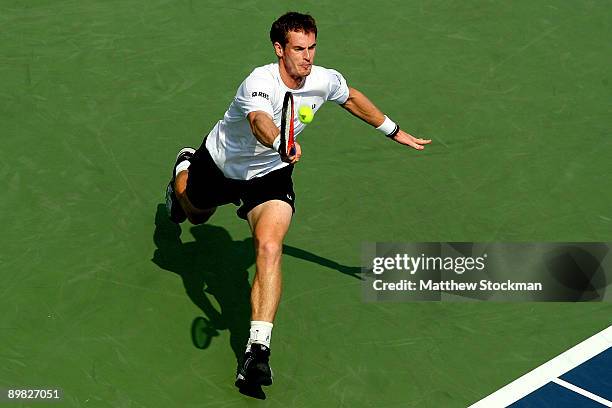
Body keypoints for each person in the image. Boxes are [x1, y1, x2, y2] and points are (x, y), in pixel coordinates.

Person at [164, 11, 431, 390]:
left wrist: (393, 131)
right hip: (222, 165)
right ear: (279, 49)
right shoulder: (258, 81)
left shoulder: (322, 79)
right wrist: (279, 142)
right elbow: (259, 121)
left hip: (271, 174)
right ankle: (183, 167)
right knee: (194, 213)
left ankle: (257, 351)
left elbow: (350, 97)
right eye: (299, 49)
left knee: (270, 246)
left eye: (312, 47)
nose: (308, 57)